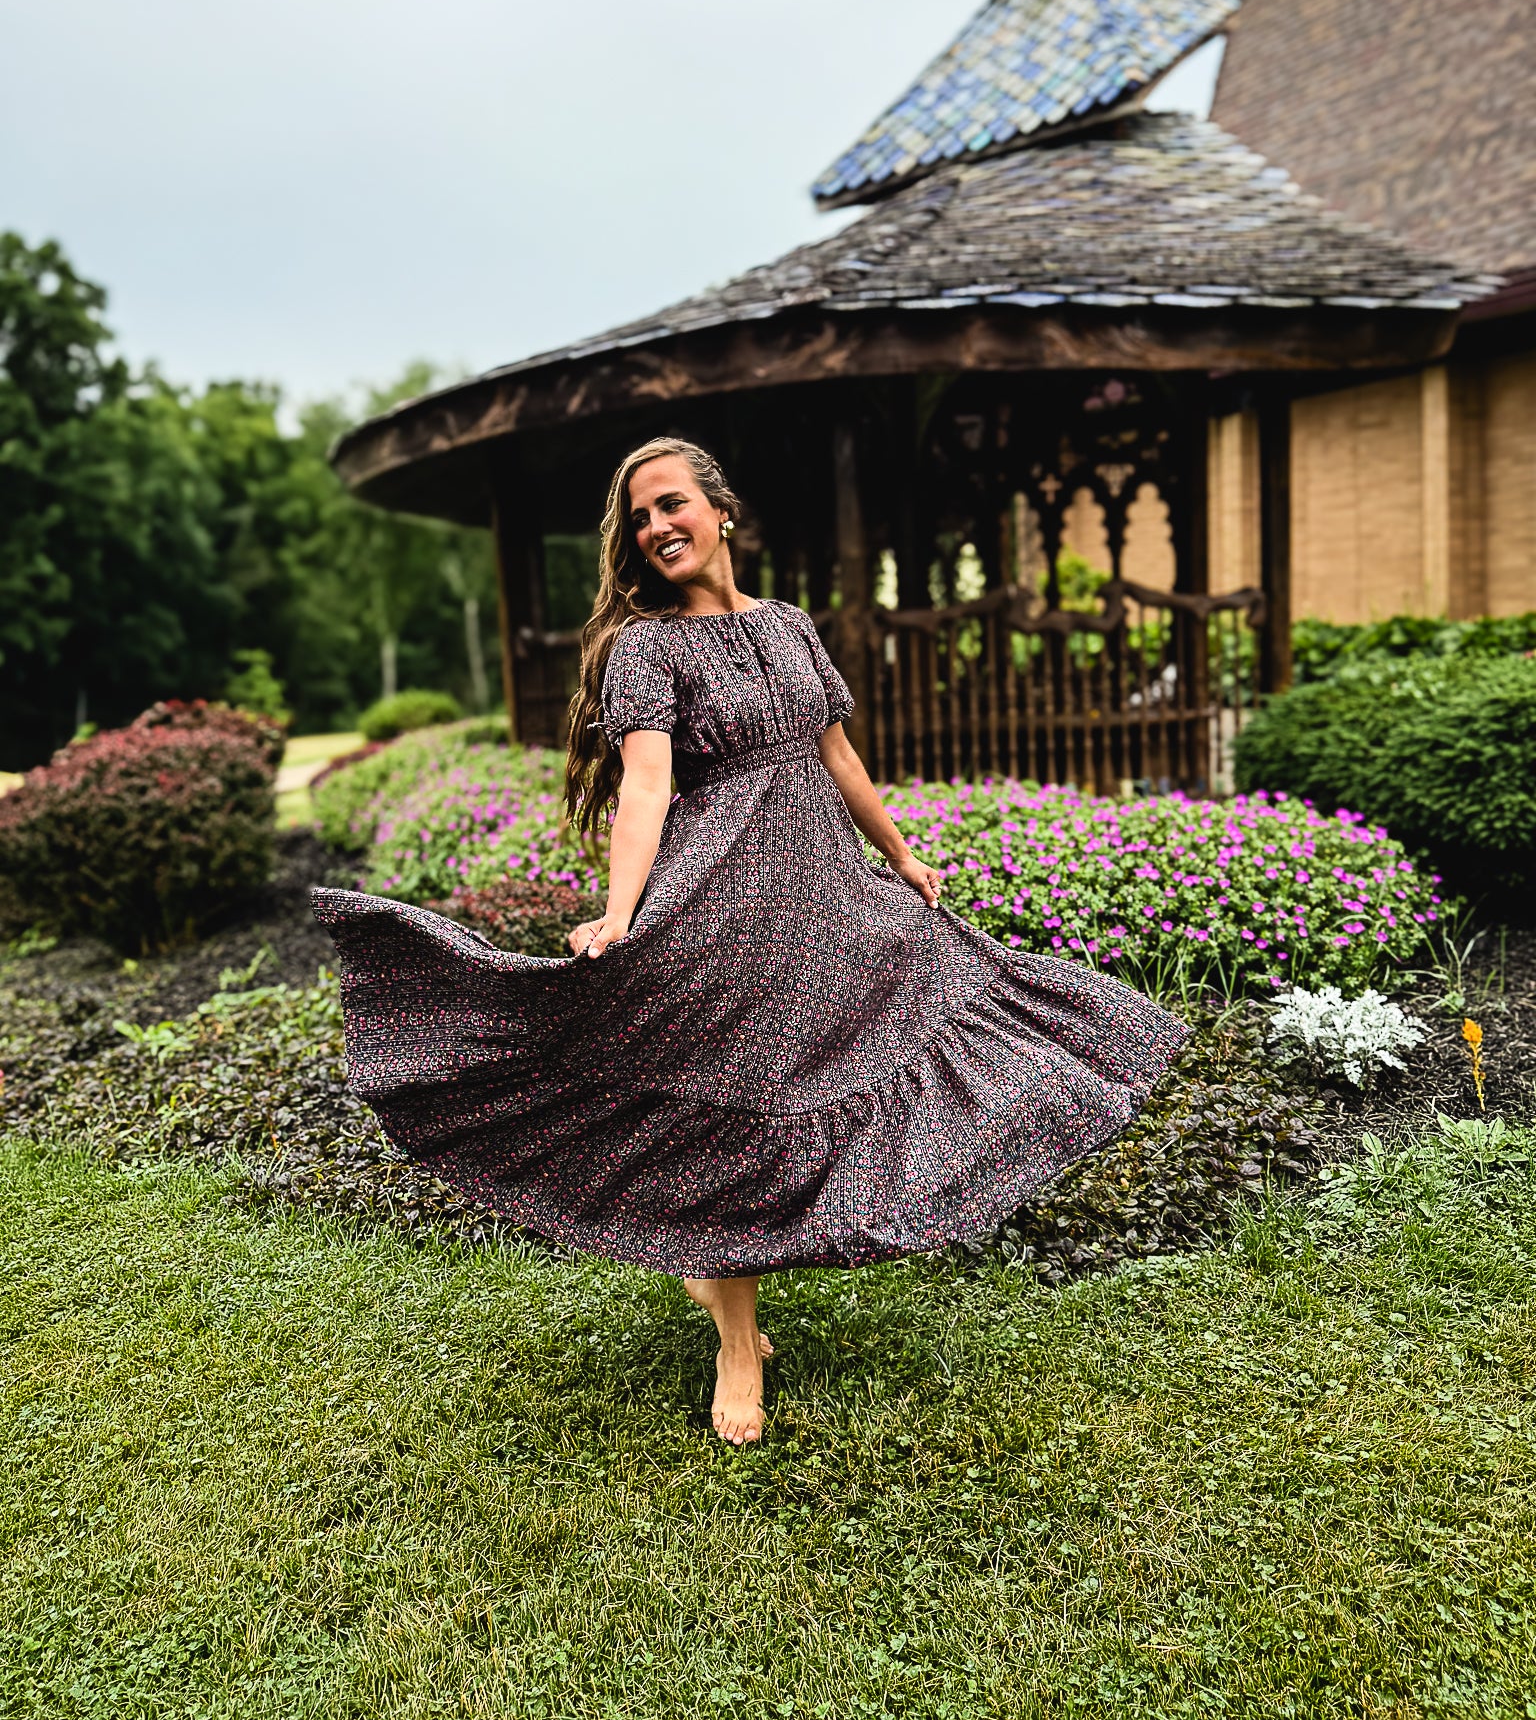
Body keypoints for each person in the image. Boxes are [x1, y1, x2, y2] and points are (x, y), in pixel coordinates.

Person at [311, 437, 1186, 1446]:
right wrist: (619, 912)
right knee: (738, 1106)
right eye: (639, 517)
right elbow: (644, 786)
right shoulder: (646, 647)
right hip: (719, 900)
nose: (654, 526)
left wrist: (898, 853)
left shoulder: (791, 626)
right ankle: (737, 1339)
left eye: (670, 503)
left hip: (822, 897)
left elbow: (838, 753)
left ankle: (714, 1260)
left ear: (720, 510)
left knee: (947, 999)